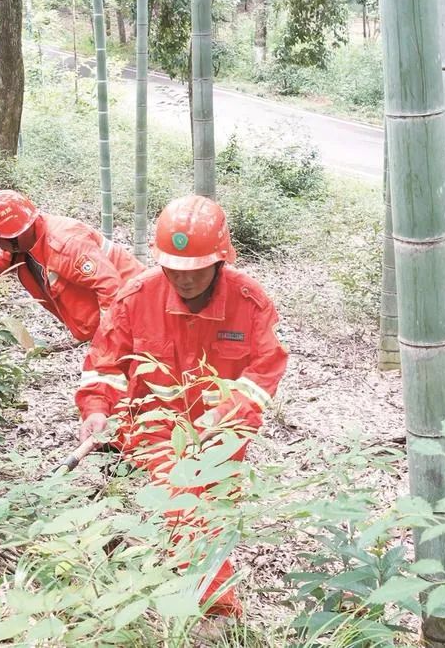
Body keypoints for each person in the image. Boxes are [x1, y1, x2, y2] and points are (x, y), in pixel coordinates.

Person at [75, 194, 288, 616]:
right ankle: (218, 609)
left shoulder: (249, 302)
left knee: (214, 507)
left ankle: (191, 581)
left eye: (193, 269)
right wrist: (97, 408)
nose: (182, 278)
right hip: (157, 426)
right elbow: (105, 363)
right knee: (184, 503)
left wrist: (225, 415)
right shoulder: (136, 296)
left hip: (223, 429)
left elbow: (264, 371)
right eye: (172, 267)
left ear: (221, 260)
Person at [0, 190, 144, 342]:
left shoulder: (65, 244)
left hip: (137, 315)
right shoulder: (24, 245)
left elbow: (110, 287)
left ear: (15, 234)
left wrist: (109, 341)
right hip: (112, 323)